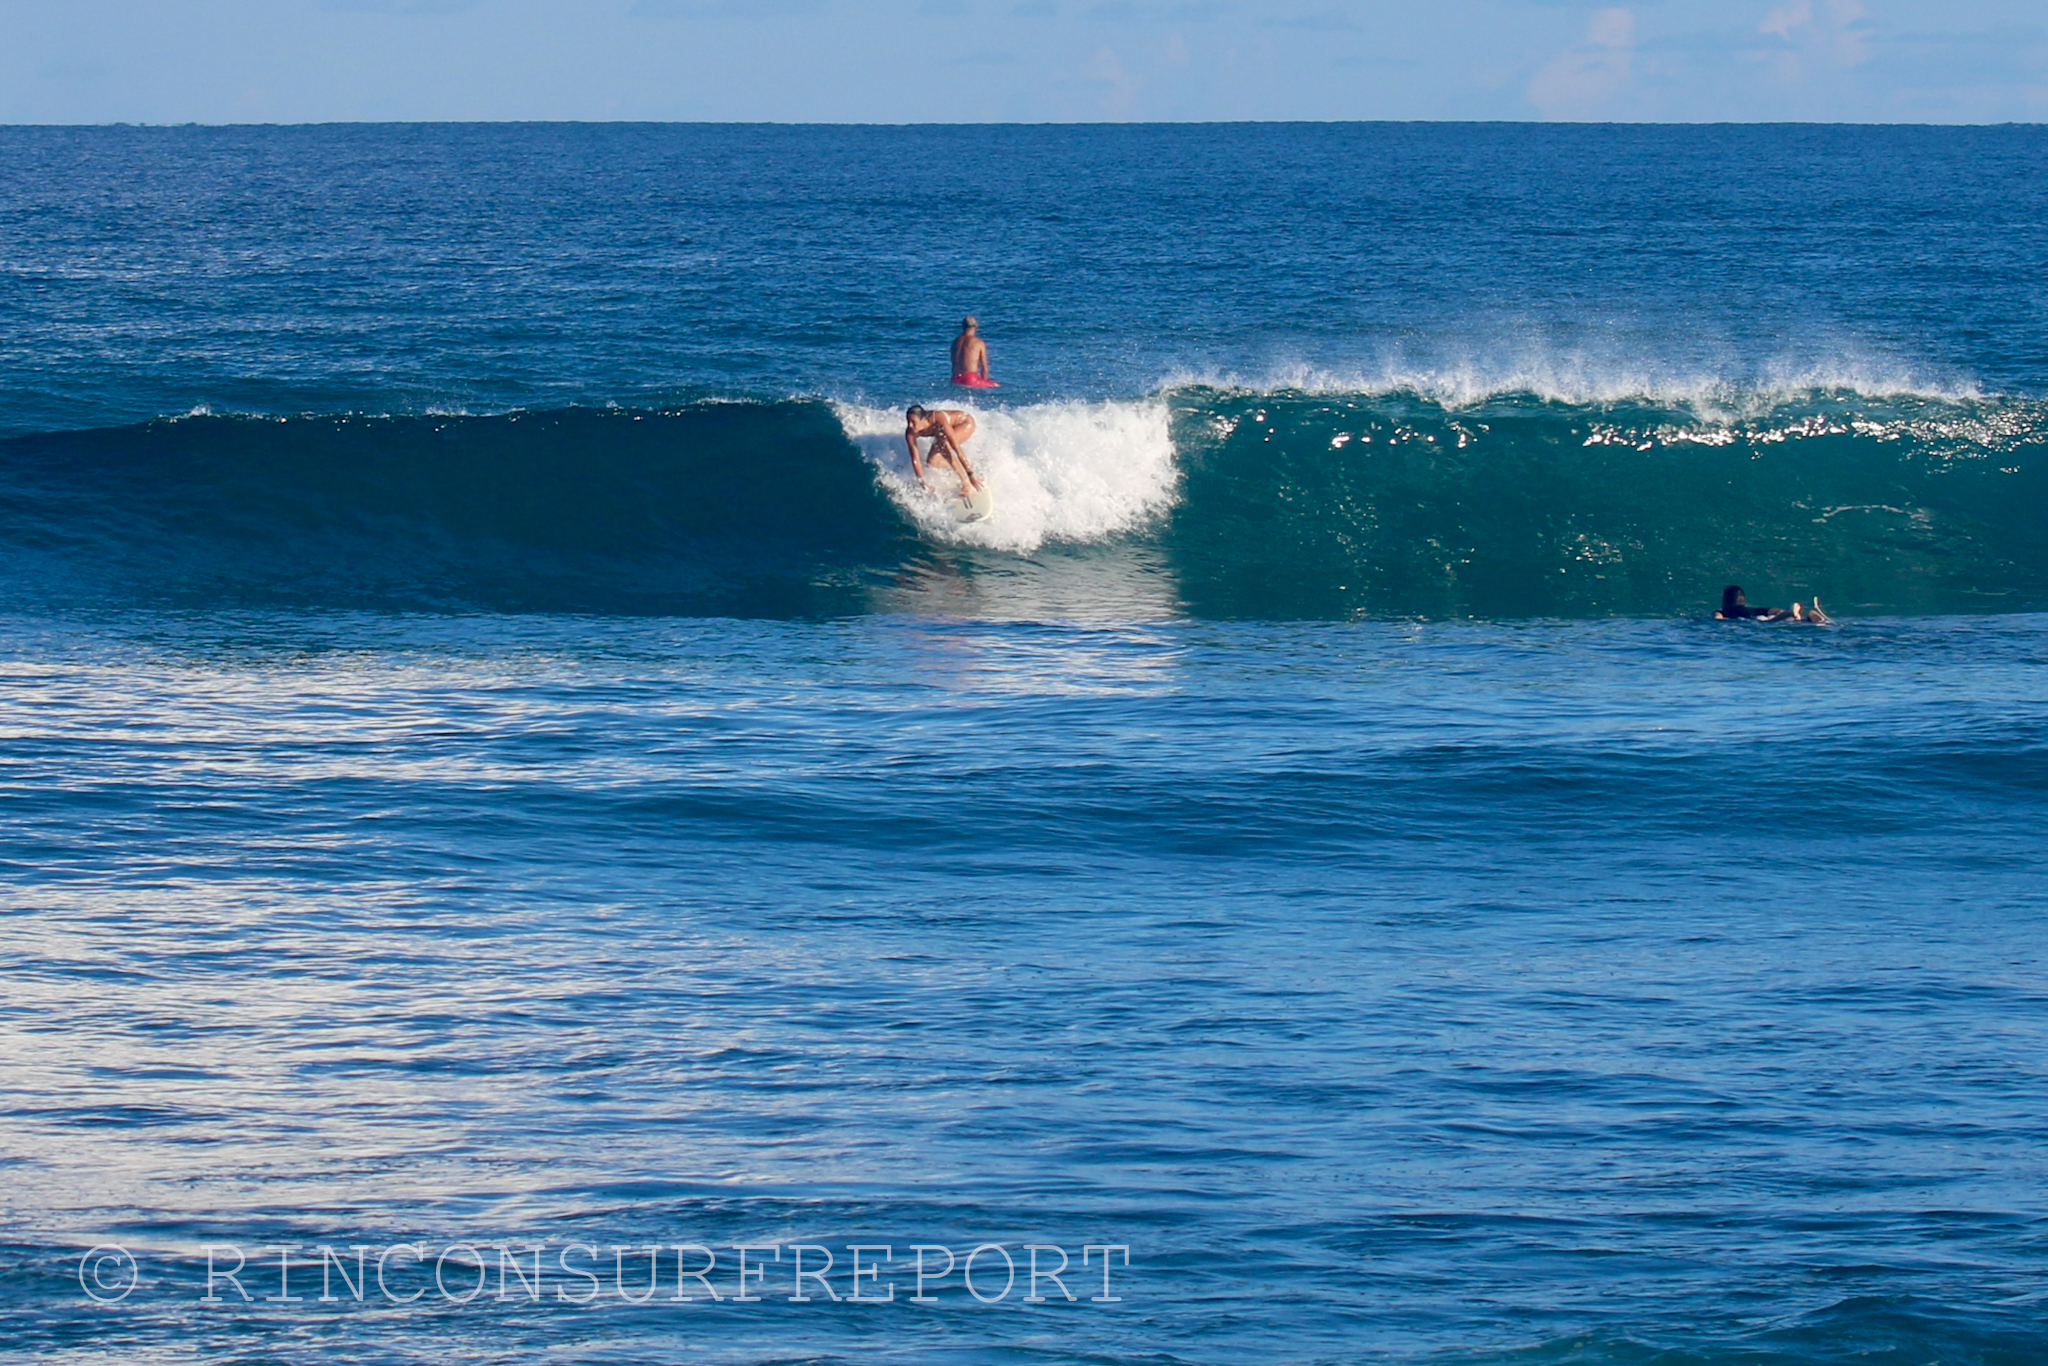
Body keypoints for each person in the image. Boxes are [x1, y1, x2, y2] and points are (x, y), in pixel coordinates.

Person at [905, 405, 984, 494]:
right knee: (932, 462)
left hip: (964, 423)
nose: (910, 425)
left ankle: (967, 483)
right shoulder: (910, 432)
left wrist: (970, 474)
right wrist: (923, 483)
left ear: (923, 419)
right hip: (945, 430)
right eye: (908, 421)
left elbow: (956, 448)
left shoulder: (938, 419)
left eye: (913, 421)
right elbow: (915, 459)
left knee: (943, 446)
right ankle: (962, 467)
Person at [1715, 585, 1830, 623]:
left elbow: (1717, 619)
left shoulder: (1723, 612)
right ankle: (1810, 616)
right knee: (1795, 621)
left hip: (1757, 620)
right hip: (1761, 615)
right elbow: (1775, 611)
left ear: (1725, 600)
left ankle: (1790, 613)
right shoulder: (1753, 609)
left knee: (1770, 622)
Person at [951, 317, 998, 388]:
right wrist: (985, 384)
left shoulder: (955, 341)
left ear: (963, 326)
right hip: (970, 379)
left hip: (955, 379)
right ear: (976, 327)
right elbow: (984, 367)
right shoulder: (978, 342)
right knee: (996, 386)